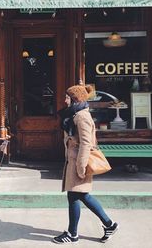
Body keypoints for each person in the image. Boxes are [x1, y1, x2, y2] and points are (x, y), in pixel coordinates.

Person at [53, 84, 119, 244]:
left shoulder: (81, 117)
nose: (64, 100)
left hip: (79, 162)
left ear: (75, 99)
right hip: (74, 160)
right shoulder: (75, 114)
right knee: (77, 195)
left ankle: (75, 233)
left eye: (67, 97)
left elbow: (85, 144)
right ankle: (106, 225)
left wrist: (81, 167)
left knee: (79, 195)